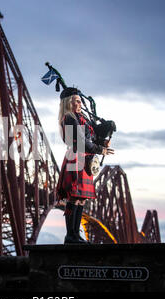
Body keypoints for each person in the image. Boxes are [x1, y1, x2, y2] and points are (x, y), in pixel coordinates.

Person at [56, 87, 114, 244]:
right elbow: (81, 143)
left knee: (81, 199)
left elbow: (91, 138)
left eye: (80, 101)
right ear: (69, 103)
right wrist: (100, 150)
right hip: (76, 158)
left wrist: (102, 141)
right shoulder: (69, 119)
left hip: (85, 161)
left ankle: (76, 235)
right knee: (73, 198)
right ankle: (70, 236)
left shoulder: (82, 119)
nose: (80, 103)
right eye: (77, 101)